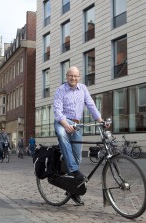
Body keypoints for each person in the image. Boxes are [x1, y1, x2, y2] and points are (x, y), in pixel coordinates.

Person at [54, 66, 103, 205]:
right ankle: (75, 172)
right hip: (62, 121)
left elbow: (91, 105)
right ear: (66, 76)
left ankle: (72, 190)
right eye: (71, 75)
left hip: (77, 124)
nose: (73, 78)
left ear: (79, 77)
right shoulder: (60, 90)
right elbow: (57, 112)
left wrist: (100, 120)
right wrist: (65, 124)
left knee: (78, 157)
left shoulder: (83, 89)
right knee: (63, 136)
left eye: (76, 76)